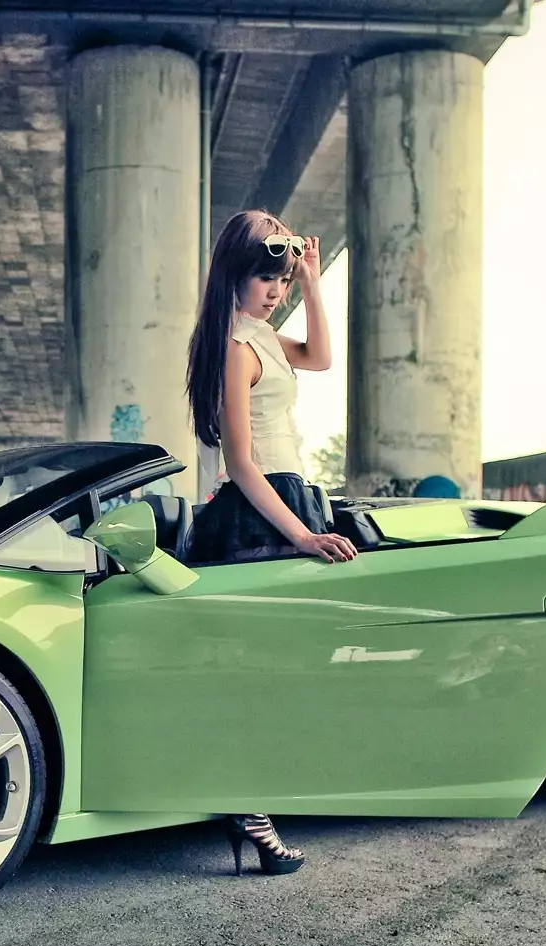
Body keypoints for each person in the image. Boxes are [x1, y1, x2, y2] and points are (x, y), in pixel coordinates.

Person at [182, 209, 358, 876]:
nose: (274, 292)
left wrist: (311, 281)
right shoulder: (235, 346)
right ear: (235, 274)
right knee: (262, 675)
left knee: (278, 673)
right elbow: (241, 462)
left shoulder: (264, 337)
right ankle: (252, 810)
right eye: (267, 279)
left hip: (287, 503)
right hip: (263, 515)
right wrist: (303, 535)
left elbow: (322, 357)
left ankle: (254, 804)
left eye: (280, 282)